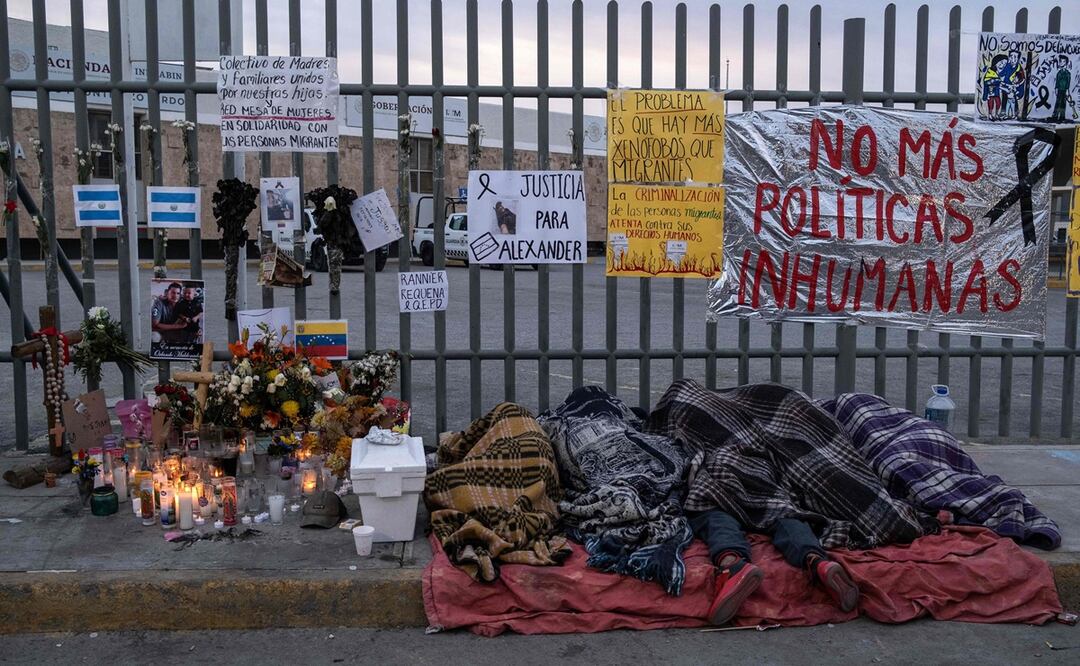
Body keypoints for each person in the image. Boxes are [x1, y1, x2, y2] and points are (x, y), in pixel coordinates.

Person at [690, 509, 860, 625]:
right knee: (788, 520)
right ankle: (817, 563)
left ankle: (732, 565)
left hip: (722, 493)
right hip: (766, 499)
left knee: (717, 519)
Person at [982, 55, 1006, 119]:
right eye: (1001, 62)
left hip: (996, 91)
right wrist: (995, 81)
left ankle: (996, 114)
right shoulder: (990, 71)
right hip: (991, 92)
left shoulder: (1001, 72)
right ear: (995, 62)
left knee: (998, 103)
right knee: (991, 103)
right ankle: (990, 114)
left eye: (1005, 63)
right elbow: (987, 81)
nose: (1003, 65)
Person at [1052, 55, 1071, 123]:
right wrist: (1056, 89)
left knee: (1063, 103)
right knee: (1058, 103)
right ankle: (1055, 116)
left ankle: (1062, 116)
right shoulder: (1059, 73)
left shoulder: (1068, 73)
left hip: (1064, 90)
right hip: (1059, 89)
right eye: (1060, 61)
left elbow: (1068, 83)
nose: (1061, 63)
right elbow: (1057, 82)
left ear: (1066, 63)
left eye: (1063, 61)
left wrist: (1068, 92)